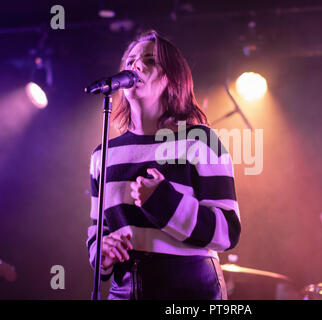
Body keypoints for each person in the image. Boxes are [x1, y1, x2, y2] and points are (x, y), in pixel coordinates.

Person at [86, 30, 241, 300]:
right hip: (123, 290)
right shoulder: (103, 154)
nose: (136, 65)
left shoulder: (200, 141)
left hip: (188, 289)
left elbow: (227, 231)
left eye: (149, 60)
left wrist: (163, 201)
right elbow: (97, 230)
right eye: (131, 60)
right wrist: (102, 251)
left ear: (171, 78)